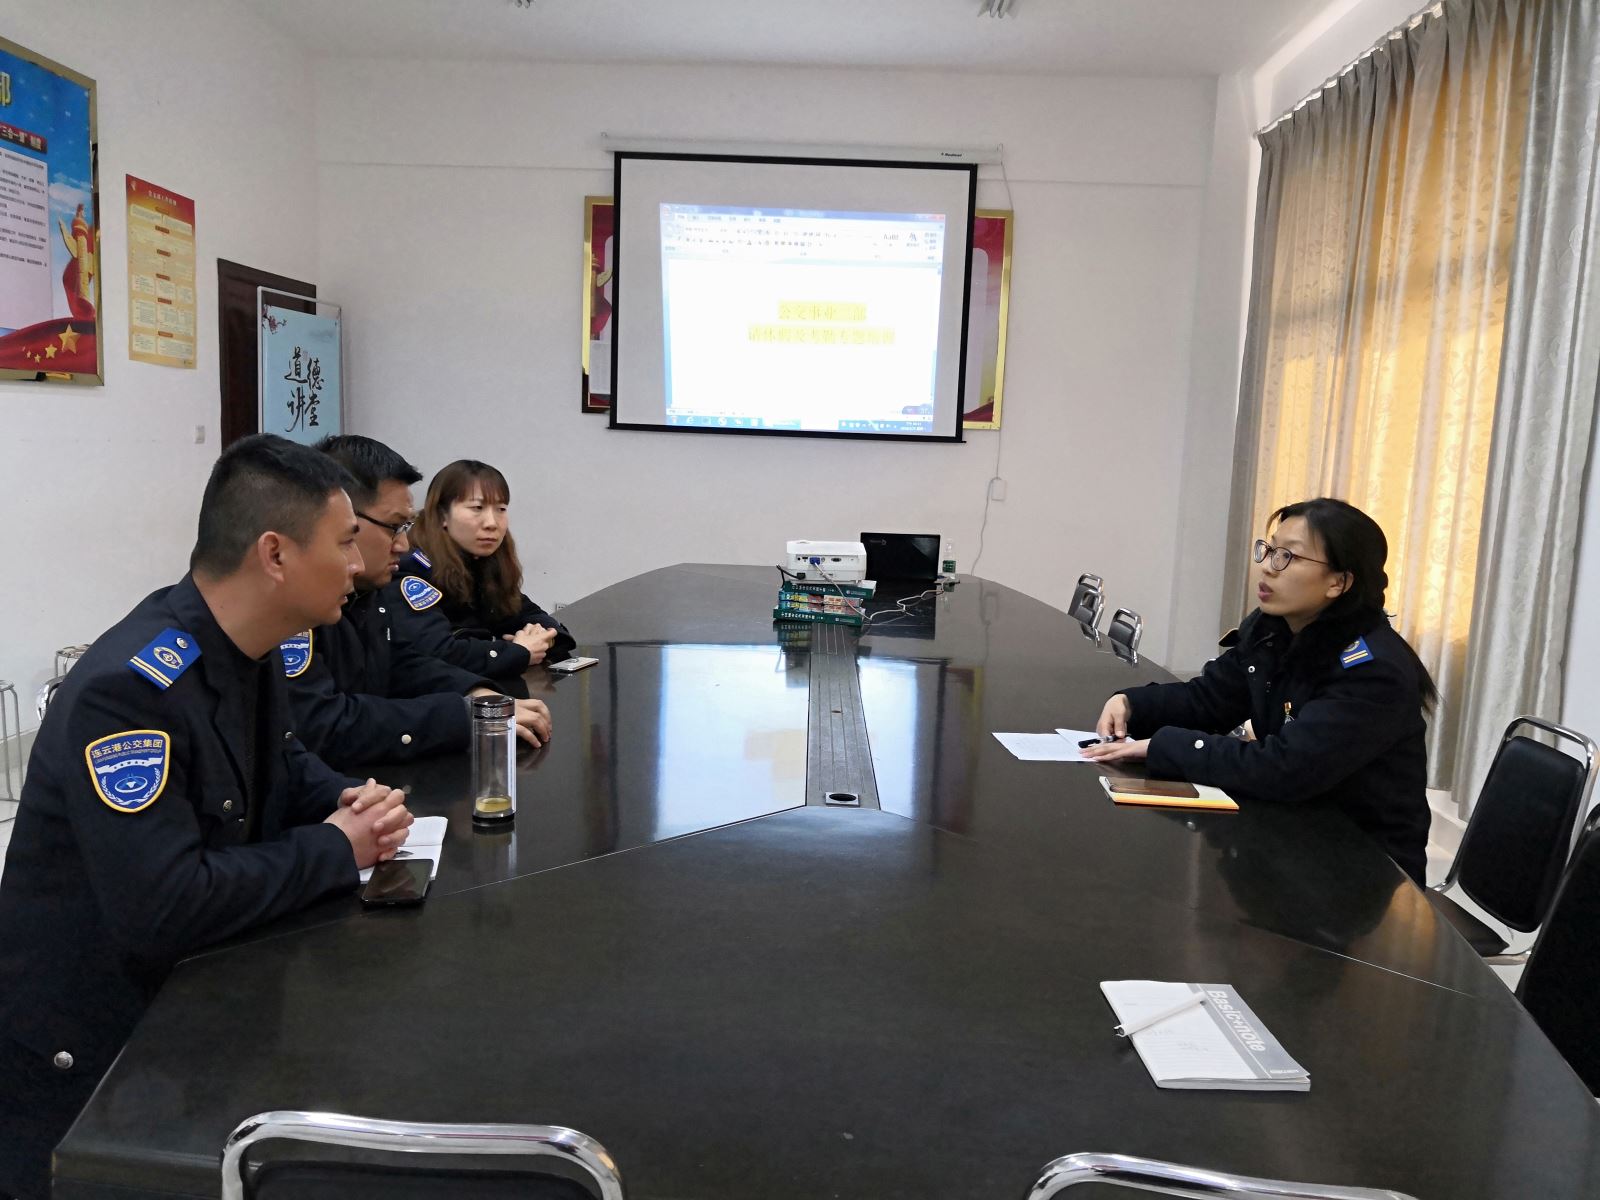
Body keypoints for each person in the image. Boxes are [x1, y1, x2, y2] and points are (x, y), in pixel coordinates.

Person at [0, 435, 414, 1200]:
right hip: (91, 1064)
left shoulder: (247, 643)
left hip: (186, 1001)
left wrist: (346, 799)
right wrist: (335, 849)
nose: (359, 564)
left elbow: (283, 761)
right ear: (275, 554)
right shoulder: (131, 690)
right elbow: (163, 904)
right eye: (344, 542)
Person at [1083, 498, 1436, 885]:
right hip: (1292, 837)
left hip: (1362, 872)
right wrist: (1132, 703)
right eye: (1269, 550)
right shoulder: (1274, 630)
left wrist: (1165, 746)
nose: (1267, 566)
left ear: (1339, 582)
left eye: (1288, 557)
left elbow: (1286, 768)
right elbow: (1209, 699)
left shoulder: (1371, 670)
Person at [281, 436, 552, 770]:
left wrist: (476, 693)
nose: (403, 544)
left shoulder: (365, 592)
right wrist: (462, 715)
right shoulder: (294, 605)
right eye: (394, 527)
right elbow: (324, 725)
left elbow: (400, 663)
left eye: (501, 509)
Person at [387, 459, 575, 679]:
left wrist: (543, 638)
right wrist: (517, 652)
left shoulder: (484, 560)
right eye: (477, 508)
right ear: (442, 515)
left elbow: (526, 612)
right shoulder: (411, 569)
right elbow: (437, 653)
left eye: (501, 509)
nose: (492, 523)